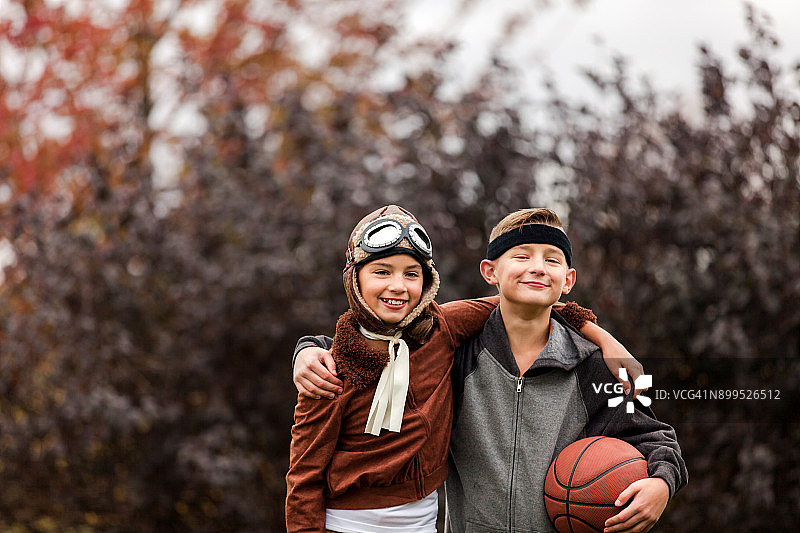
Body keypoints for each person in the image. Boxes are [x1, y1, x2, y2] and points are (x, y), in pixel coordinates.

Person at [287, 205, 645, 533]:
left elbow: (526, 302)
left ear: (427, 282)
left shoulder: (442, 328)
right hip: (346, 524)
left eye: (412, 274)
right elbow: (303, 478)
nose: (398, 286)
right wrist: (306, 349)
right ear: (354, 279)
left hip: (423, 523)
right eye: (382, 271)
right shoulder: (328, 368)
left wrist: (602, 337)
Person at [444, 208, 688, 533]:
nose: (537, 267)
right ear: (490, 271)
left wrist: (662, 484)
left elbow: (654, 437)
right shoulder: (458, 358)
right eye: (521, 256)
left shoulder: (594, 366)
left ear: (568, 280)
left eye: (552, 259)